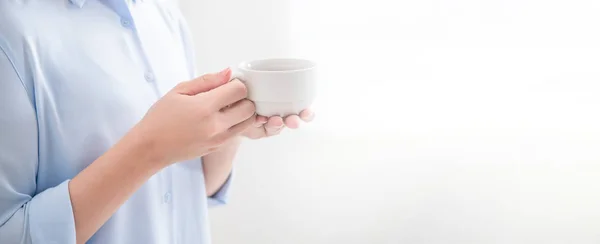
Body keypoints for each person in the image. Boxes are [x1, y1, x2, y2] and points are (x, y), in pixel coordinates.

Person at [0, 0, 313, 243]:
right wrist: (150, 148)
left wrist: (229, 131)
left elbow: (178, 194)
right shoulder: (11, 30)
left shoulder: (162, 12)